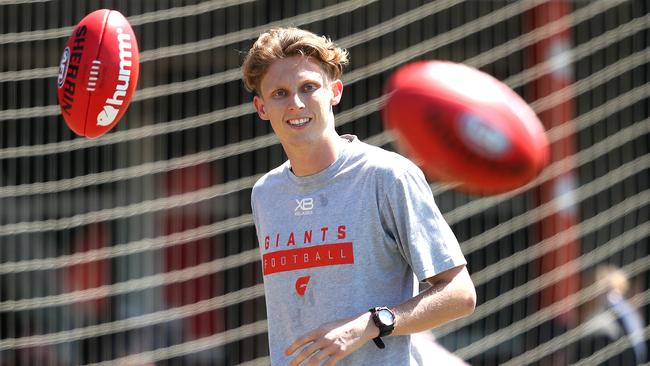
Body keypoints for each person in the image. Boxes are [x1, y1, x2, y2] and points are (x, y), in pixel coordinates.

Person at [242, 27, 476, 365]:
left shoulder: (388, 176)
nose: (296, 103)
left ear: (334, 91)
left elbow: (460, 294)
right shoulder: (265, 194)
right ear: (261, 107)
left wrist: (371, 324)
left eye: (309, 87)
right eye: (280, 93)